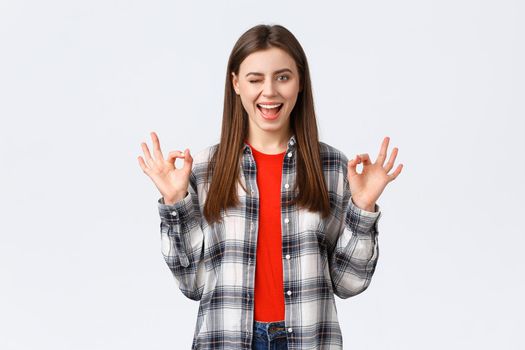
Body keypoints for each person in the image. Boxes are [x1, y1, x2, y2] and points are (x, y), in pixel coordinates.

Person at [138, 24, 402, 350]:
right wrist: (175, 200)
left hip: (307, 340)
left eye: (282, 77)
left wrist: (362, 207)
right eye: (255, 79)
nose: (269, 92)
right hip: (227, 340)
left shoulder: (332, 168)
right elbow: (193, 284)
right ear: (236, 83)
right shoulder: (207, 169)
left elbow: (349, 283)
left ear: (300, 81)